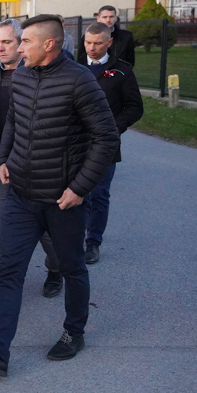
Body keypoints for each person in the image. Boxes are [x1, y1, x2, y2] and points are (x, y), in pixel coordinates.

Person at [0, 15, 119, 377]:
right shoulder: (24, 76)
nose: (19, 47)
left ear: (49, 44)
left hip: (62, 200)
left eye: (25, 41)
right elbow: (13, 120)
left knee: (72, 267)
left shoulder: (79, 81)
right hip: (21, 195)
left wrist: (79, 188)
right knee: (8, 271)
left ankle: (73, 332)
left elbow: (107, 138)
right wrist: (3, 159)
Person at [0, 20, 62, 326]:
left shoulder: (40, 75)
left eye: (8, 42)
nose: (2, 47)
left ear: (23, 43)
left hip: (36, 170)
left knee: (46, 229)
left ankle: (56, 267)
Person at [80, 22, 144, 264]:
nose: (92, 48)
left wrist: (112, 129)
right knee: (77, 193)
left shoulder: (121, 71)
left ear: (109, 42)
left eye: (97, 43)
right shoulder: (74, 68)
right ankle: (74, 236)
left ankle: (93, 241)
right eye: (88, 42)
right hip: (76, 143)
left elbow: (135, 108)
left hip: (105, 144)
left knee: (98, 194)